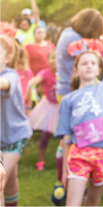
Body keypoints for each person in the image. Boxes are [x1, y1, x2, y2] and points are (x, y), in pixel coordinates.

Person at [55, 34, 103, 207]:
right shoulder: (68, 100)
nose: (89, 66)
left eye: (93, 63)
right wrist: (63, 172)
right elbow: (66, 137)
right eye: (84, 63)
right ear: (76, 69)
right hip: (79, 154)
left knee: (93, 202)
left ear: (99, 69)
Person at [55, 8, 103, 186]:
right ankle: (68, 178)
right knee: (70, 138)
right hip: (72, 91)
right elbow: (91, 58)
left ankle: (68, 178)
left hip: (65, 89)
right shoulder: (74, 39)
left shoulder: (69, 33)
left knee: (69, 137)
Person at [0, 36, 33, 207]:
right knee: (9, 179)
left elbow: (2, 83)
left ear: (7, 58)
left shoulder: (10, 75)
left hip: (14, 138)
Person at [26, 50, 59, 171]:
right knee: (45, 134)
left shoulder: (66, 73)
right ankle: (40, 161)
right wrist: (30, 84)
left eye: (57, 57)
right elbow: (34, 81)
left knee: (66, 135)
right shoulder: (46, 73)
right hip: (49, 107)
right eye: (52, 58)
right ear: (48, 60)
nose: (55, 60)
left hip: (62, 107)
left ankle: (65, 160)